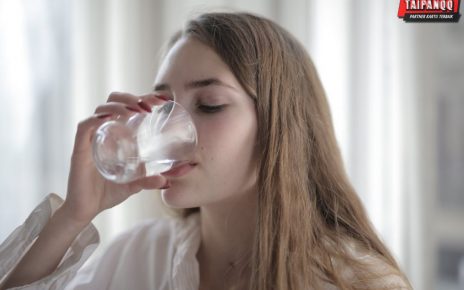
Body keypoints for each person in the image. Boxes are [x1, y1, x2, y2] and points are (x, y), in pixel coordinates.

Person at [0, 12, 412, 290]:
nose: (168, 131)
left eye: (209, 104)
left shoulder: (355, 282)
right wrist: (73, 216)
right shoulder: (139, 256)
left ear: (279, 128)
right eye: (162, 108)